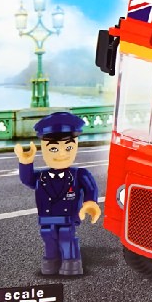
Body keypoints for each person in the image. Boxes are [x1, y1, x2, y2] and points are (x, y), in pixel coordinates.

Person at [14, 111, 101, 276]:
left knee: (66, 237)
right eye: (54, 148)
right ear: (44, 149)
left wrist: (90, 203)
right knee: (48, 238)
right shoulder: (41, 176)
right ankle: (50, 261)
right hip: (47, 218)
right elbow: (27, 179)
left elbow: (90, 188)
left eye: (68, 147)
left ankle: (71, 263)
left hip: (68, 217)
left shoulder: (79, 174)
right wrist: (26, 162)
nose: (62, 153)